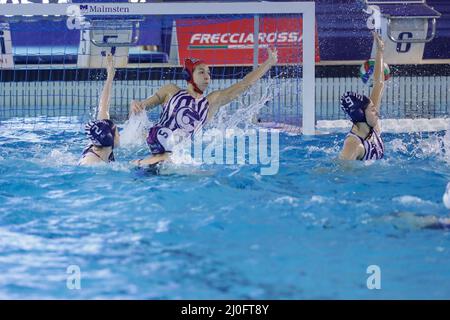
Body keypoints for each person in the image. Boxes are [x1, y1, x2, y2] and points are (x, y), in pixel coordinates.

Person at [130, 48, 278, 167]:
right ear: (189, 75)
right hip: (152, 146)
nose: (207, 76)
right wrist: (136, 104)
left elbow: (244, 84)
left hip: (175, 157)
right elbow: (142, 106)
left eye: (208, 73)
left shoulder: (212, 102)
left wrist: (268, 63)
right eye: (201, 72)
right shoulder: (171, 91)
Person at [339, 32, 385, 161]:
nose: (376, 110)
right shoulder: (353, 145)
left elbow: (379, 83)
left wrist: (380, 51)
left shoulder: (370, 123)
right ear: (361, 114)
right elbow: (341, 173)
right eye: (372, 109)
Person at [79, 53, 120, 166]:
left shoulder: (104, 141)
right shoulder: (91, 163)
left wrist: (110, 76)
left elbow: (104, 106)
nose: (119, 135)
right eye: (117, 133)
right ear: (111, 139)